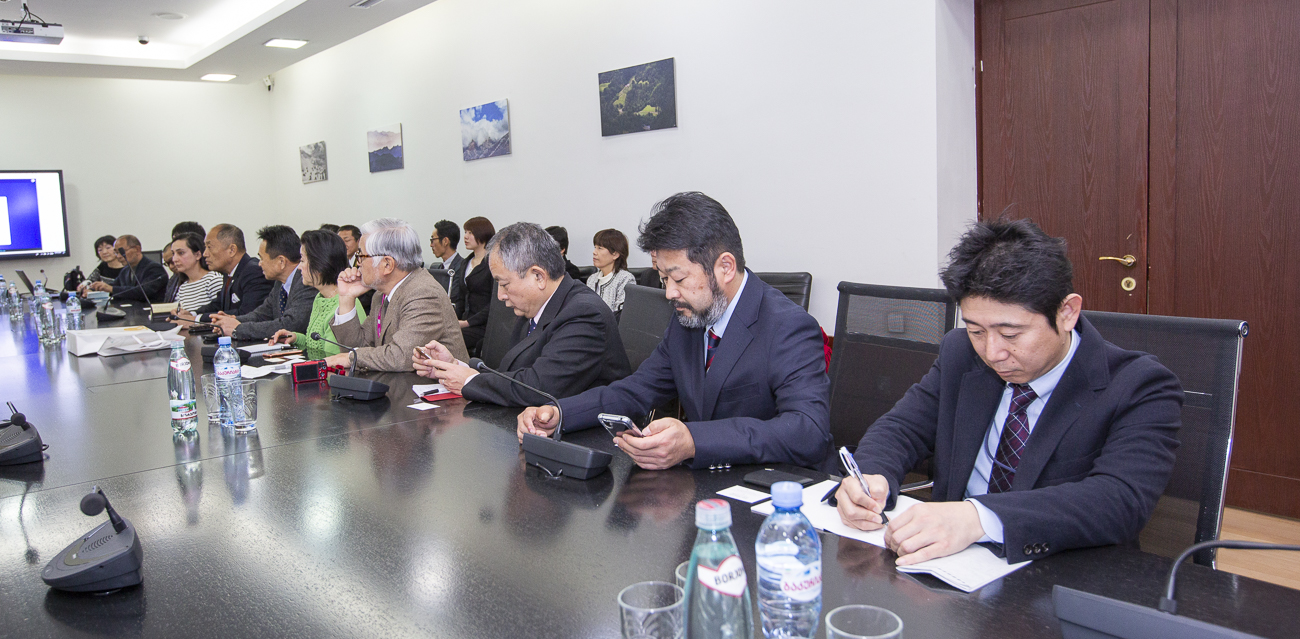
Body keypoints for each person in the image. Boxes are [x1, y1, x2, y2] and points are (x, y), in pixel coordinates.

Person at [833, 219, 1182, 567]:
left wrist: (979, 517)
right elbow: (903, 428)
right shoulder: (961, 354)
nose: (992, 352)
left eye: (1011, 334)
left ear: (1067, 313)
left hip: (1057, 572)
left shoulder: (1140, 386)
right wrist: (872, 476)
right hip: (946, 565)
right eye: (976, 330)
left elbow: (1119, 500)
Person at [517, 192, 832, 471]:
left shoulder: (788, 326)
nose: (669, 293)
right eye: (663, 279)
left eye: (678, 279)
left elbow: (807, 431)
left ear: (725, 267)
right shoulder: (688, 319)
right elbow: (635, 390)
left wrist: (695, 440)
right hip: (704, 487)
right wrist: (559, 413)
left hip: (773, 491)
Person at [413, 222, 631, 405]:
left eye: (504, 284)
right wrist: (454, 367)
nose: (500, 295)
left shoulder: (584, 314)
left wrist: (469, 381)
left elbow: (539, 387)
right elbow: (514, 375)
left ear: (538, 276)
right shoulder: (535, 307)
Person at [325, 218, 467, 372]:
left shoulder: (423, 293)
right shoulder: (381, 294)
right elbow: (356, 346)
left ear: (388, 264)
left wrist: (349, 358)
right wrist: (346, 298)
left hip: (436, 385)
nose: (358, 263)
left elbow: (401, 356)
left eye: (361, 255)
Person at [268, 230, 365, 360]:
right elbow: (317, 345)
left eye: (302, 260)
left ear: (319, 265)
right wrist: (296, 338)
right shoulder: (321, 298)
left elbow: (334, 357)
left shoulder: (345, 305)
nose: (299, 267)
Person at [209, 225, 317, 340]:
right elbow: (262, 315)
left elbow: (290, 324)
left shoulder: (306, 282)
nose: (259, 264)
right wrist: (232, 320)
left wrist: (238, 329)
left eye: (262, 259)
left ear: (281, 262)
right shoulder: (279, 283)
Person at [176, 224, 274, 323]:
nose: (205, 254)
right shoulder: (228, 273)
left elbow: (247, 314)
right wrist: (192, 314)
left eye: (209, 247)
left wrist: (196, 319)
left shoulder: (253, 272)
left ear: (232, 250)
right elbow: (218, 305)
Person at [82, 235, 168, 303]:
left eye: (121, 252)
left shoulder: (154, 268)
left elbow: (143, 292)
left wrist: (111, 289)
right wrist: (94, 289)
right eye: (116, 253)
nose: (118, 256)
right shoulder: (126, 270)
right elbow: (115, 285)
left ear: (137, 249)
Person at [457, 216, 496, 354]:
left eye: (471, 233)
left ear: (483, 234)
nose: (465, 237)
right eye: (465, 232)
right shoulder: (465, 263)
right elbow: (460, 298)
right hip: (464, 321)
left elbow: (494, 303)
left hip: (483, 325)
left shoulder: (492, 264)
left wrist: (468, 323)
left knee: (450, 339)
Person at [168, 232, 223, 312]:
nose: (174, 259)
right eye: (173, 254)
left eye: (181, 253)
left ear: (197, 255)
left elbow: (220, 311)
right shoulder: (183, 287)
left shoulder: (213, 280)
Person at [587, 228, 636, 317]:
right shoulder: (592, 279)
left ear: (615, 254)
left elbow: (621, 315)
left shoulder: (625, 279)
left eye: (600, 248)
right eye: (595, 247)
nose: (594, 252)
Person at [428, 219, 467, 300]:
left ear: (445, 241)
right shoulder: (437, 268)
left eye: (433, 240)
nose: (431, 245)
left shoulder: (462, 267)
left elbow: (453, 296)